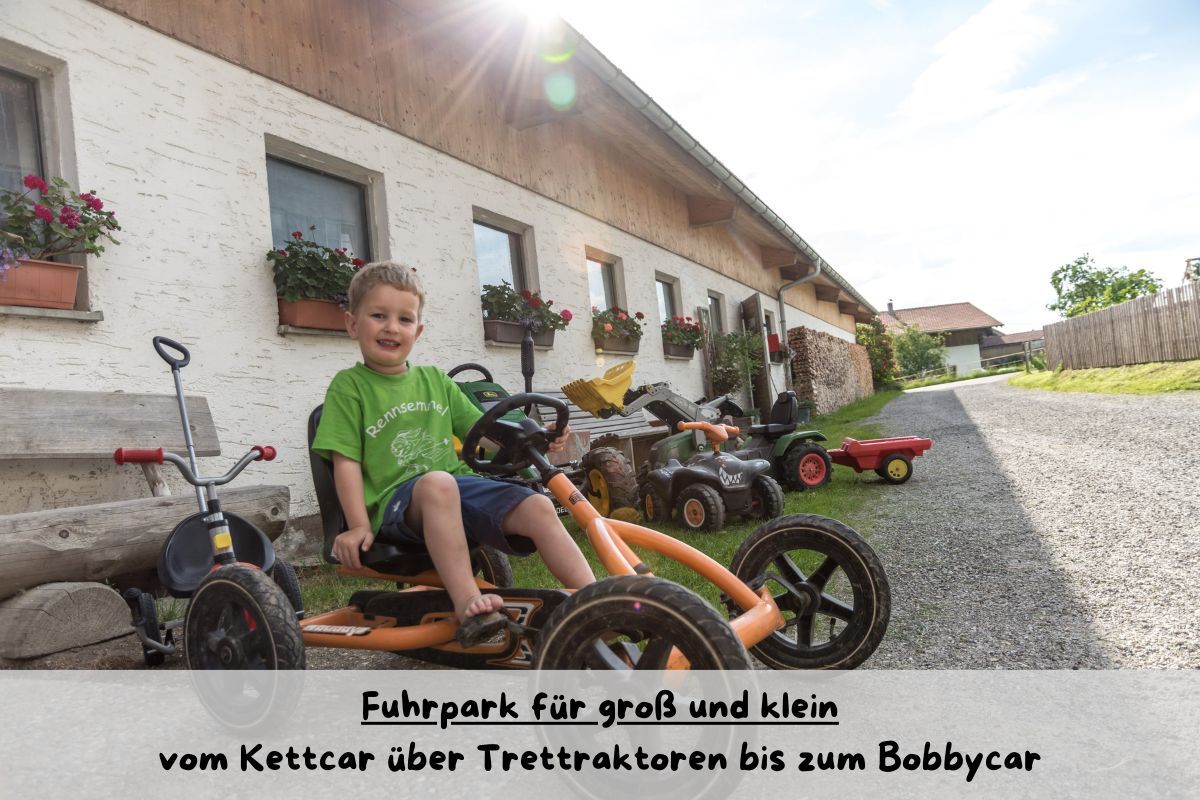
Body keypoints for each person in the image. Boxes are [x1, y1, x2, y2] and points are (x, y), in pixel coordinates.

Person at [311, 262, 596, 647]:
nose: (392, 327)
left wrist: (538, 439)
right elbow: (345, 462)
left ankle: (596, 601)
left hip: (456, 489)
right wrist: (358, 526)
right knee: (438, 484)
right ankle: (469, 604)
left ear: (418, 331)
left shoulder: (435, 381)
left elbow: (486, 434)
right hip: (396, 506)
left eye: (404, 319)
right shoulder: (349, 388)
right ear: (352, 324)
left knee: (538, 506)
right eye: (378, 316)